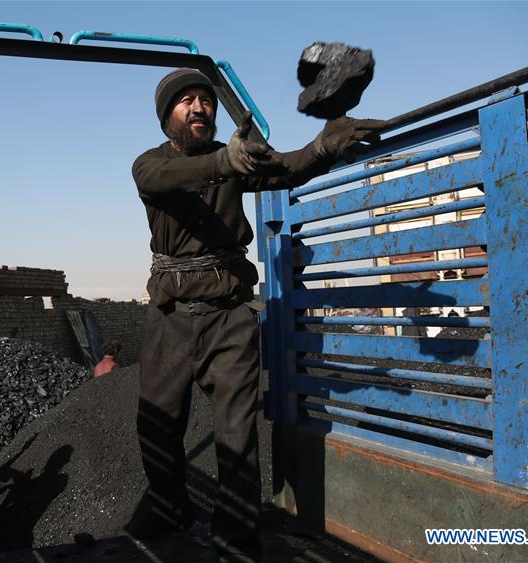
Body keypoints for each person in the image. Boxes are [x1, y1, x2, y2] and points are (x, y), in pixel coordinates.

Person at [126, 68, 385, 562]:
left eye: (205, 99)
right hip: (169, 319)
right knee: (157, 426)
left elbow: (286, 168)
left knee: (237, 436)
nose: (199, 107)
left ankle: (236, 540)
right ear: (167, 116)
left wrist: (322, 146)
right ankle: (169, 509)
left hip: (229, 318)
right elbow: (163, 179)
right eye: (186, 100)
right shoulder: (151, 164)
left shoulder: (237, 158)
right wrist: (225, 161)